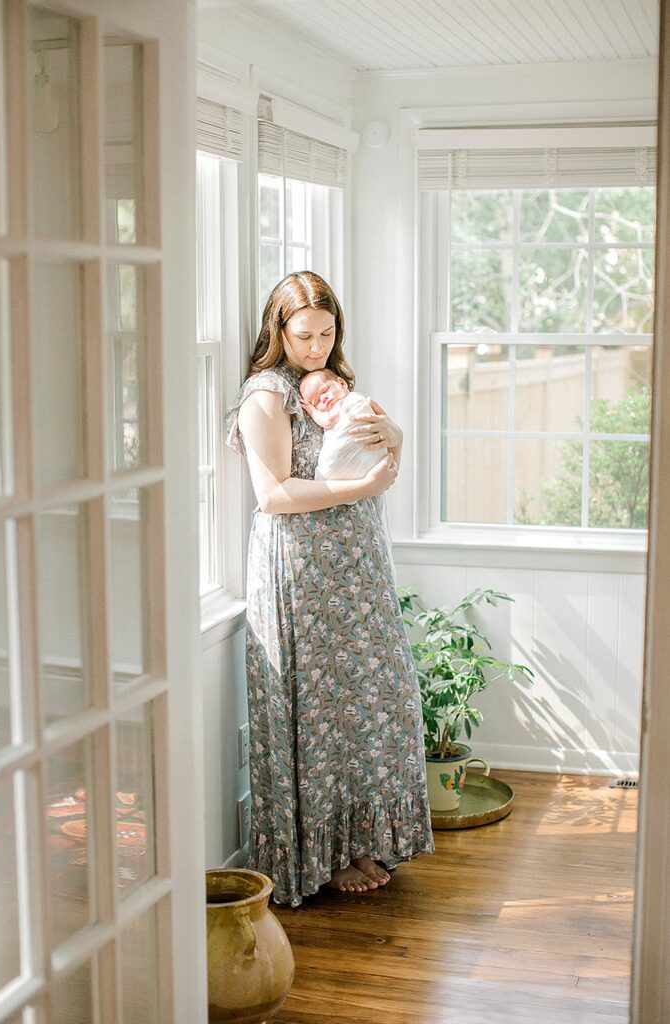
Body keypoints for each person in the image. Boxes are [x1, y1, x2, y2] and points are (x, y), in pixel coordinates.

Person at [225, 270, 434, 907]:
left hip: (357, 562)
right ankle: (324, 852)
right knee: (319, 707)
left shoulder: (333, 385)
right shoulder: (267, 395)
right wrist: (361, 490)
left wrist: (392, 438)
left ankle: (361, 837)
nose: (316, 346)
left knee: (373, 698)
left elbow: (380, 441)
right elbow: (275, 494)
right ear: (277, 331)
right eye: (303, 334)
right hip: (303, 567)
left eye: (327, 332)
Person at [299, 367, 396, 575]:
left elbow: (326, 421)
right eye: (316, 401)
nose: (323, 400)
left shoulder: (352, 403)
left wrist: (312, 411)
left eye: (325, 391)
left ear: (342, 384)